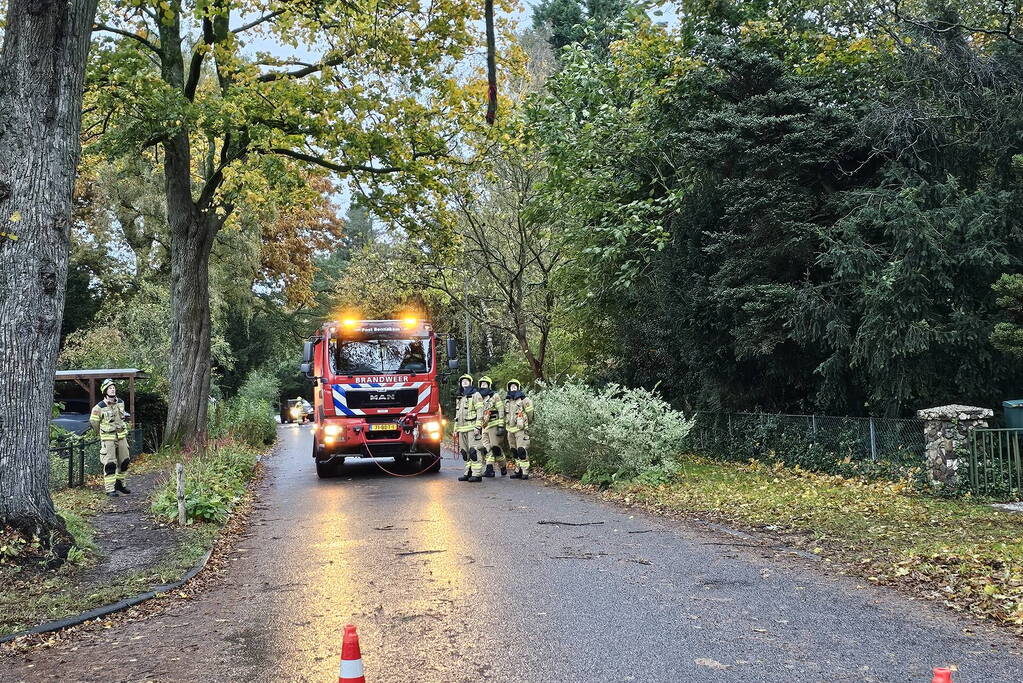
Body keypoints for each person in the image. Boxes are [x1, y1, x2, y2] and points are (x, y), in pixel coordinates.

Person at [90, 378, 131, 497]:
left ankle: (120, 484)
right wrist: (101, 433)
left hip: (121, 436)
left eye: (113, 388)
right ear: (105, 390)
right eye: (110, 388)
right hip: (108, 439)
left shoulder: (121, 402)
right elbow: (94, 422)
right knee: (110, 464)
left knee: (125, 461)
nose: (112, 390)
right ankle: (110, 489)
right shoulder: (99, 407)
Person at [472, 375, 507, 477]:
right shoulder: (478, 398)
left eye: (485, 384)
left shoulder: (495, 396)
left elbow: (501, 410)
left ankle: (501, 466)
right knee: (487, 448)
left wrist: (501, 426)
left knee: (495, 447)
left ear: (489, 385)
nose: (483, 386)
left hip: (494, 424)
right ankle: (490, 469)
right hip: (484, 426)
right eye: (482, 384)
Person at [454, 374, 483, 482]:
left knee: (473, 451)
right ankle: (468, 472)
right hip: (462, 429)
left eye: (467, 381)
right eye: (463, 381)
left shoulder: (476, 395)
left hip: (472, 428)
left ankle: (477, 474)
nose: (464, 382)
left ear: (470, 383)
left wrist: (478, 426)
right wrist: (455, 429)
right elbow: (457, 415)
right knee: (465, 453)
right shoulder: (460, 397)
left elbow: (480, 412)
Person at [503, 379, 534, 480]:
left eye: (515, 387)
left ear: (518, 388)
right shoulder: (507, 401)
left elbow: (530, 414)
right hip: (510, 429)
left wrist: (526, 423)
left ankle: (525, 471)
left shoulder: (524, 400)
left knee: (521, 450)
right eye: (511, 387)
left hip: (520, 429)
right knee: (514, 451)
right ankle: (518, 470)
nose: (513, 388)